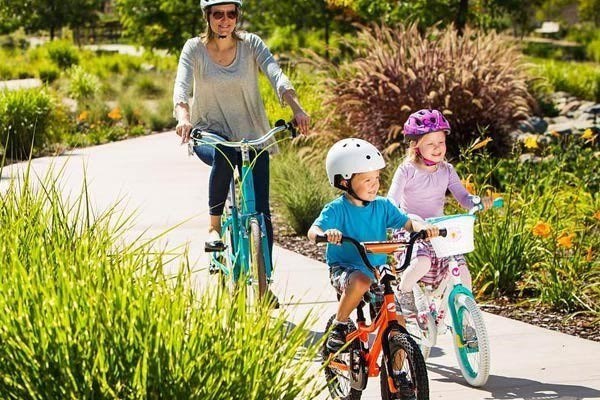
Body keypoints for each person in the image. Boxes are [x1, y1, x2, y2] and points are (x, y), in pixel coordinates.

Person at [172, 0, 310, 267]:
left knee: (261, 212)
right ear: (207, 16)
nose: (225, 20)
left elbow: (276, 75)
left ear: (237, 16)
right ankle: (213, 227)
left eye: (231, 14)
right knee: (224, 152)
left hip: (251, 135)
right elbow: (182, 85)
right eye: (218, 14)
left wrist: (297, 108)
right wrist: (184, 117)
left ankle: (264, 282)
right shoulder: (194, 49)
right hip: (210, 134)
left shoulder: (252, 44)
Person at [307, 138, 439, 353]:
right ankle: (339, 327)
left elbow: (407, 222)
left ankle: (400, 375)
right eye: (367, 180)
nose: (375, 184)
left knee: (397, 323)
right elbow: (313, 232)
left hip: (376, 271)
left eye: (376, 178)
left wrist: (422, 227)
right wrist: (326, 234)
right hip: (346, 270)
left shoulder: (383, 206)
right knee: (360, 280)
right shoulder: (336, 209)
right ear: (344, 182)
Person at [386, 109, 492, 314]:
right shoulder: (407, 170)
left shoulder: (447, 170)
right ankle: (403, 290)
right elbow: (392, 201)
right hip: (412, 230)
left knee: (463, 272)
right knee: (422, 263)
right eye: (430, 143)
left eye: (441, 142)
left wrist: (476, 202)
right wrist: (407, 219)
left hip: (440, 230)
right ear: (416, 145)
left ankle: (466, 317)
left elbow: (463, 197)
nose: (437, 148)